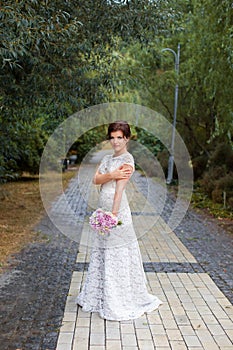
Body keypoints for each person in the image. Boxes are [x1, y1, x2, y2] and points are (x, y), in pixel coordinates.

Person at [76, 120, 162, 321]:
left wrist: (113, 215)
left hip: (116, 211)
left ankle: (118, 299)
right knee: (102, 251)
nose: (115, 142)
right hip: (103, 207)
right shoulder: (107, 158)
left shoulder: (128, 160)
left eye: (119, 138)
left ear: (127, 139)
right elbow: (95, 180)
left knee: (117, 254)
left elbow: (119, 190)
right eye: (112, 138)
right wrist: (111, 174)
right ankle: (99, 297)